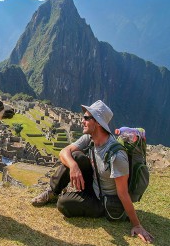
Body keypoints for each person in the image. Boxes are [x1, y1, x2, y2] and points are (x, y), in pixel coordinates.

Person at [31, 100, 154, 244]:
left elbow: (123, 193)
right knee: (75, 157)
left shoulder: (116, 156)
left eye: (86, 118)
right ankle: (52, 192)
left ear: (98, 123)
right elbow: (64, 152)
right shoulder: (89, 138)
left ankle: (83, 204)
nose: (82, 121)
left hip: (104, 201)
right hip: (94, 185)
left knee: (63, 204)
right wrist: (74, 167)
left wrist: (137, 225)